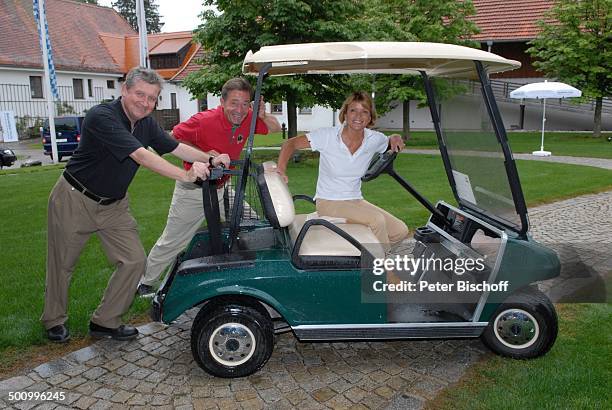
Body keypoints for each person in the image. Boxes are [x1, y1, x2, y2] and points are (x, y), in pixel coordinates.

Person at [41, 67, 230, 343]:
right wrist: (185, 175)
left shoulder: (146, 123)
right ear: (124, 90)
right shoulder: (102, 117)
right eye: (140, 94)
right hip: (74, 197)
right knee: (62, 265)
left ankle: (105, 321)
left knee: (134, 261)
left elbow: (173, 146)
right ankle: (53, 320)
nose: (145, 102)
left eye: (152, 98)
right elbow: (141, 155)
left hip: (114, 205)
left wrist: (209, 159)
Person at [137, 78, 281, 295]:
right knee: (174, 239)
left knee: (249, 224)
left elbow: (275, 128)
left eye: (245, 104)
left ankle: (244, 275)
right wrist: (205, 155)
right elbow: (173, 138)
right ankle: (145, 283)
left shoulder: (248, 117)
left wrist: (263, 115)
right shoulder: (203, 120)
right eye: (234, 103)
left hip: (223, 187)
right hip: (194, 188)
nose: (239, 110)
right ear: (222, 101)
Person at [276, 91, 409, 246]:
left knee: (400, 230)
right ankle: (382, 267)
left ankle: (368, 255)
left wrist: (395, 137)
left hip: (355, 200)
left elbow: (389, 141)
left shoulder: (374, 139)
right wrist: (281, 168)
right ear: (345, 114)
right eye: (353, 110)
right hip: (329, 202)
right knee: (376, 221)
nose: (358, 116)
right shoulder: (327, 136)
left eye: (364, 111)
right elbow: (290, 144)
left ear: (370, 117)